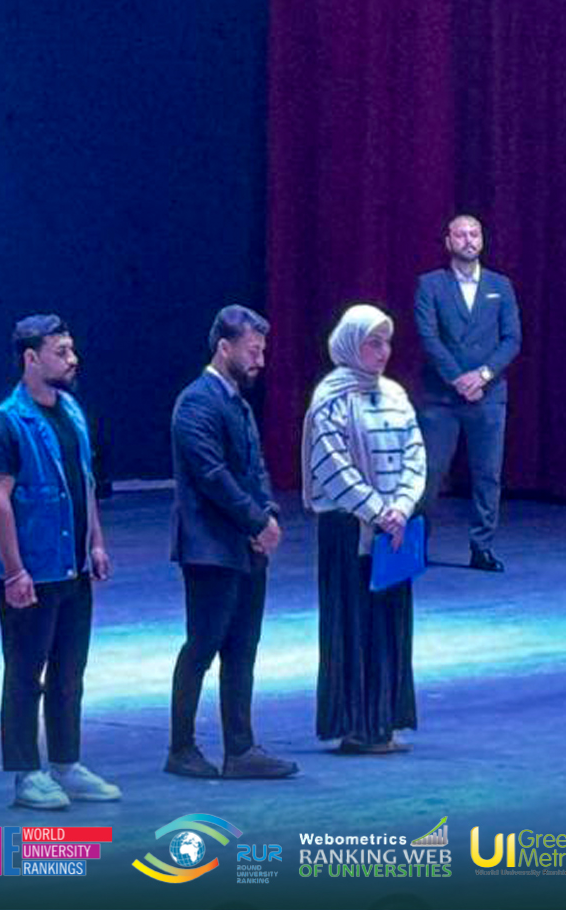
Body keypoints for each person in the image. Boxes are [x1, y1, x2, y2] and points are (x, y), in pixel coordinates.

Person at [0, 314, 121, 809]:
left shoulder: (72, 412)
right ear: (31, 358)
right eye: (61, 352)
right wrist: (15, 570)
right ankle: (26, 773)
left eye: (71, 349)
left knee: (68, 672)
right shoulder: (6, 422)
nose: (72, 359)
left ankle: (66, 763)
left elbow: (84, 482)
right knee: (25, 672)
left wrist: (96, 543)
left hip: (72, 565)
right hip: (30, 571)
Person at [164, 306, 299, 780]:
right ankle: (181, 747)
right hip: (210, 548)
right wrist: (258, 522)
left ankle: (240, 749)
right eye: (252, 350)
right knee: (203, 646)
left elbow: (255, 467)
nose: (260, 359)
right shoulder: (196, 402)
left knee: (243, 648)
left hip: (243, 544)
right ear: (225, 348)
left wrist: (268, 515)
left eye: (262, 350)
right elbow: (212, 475)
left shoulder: (236, 402)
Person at [304, 305, 429, 753]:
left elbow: (415, 454)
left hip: (393, 529)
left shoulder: (395, 394)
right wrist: (377, 510)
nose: (383, 351)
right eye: (372, 343)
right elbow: (331, 466)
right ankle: (357, 726)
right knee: (354, 623)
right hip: (348, 530)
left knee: (390, 623)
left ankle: (386, 721)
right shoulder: (330, 399)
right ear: (350, 345)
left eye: (386, 342)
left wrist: (402, 506)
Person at [414, 214, 521, 572]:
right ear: (448, 242)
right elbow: (428, 337)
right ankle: (416, 545)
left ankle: (482, 547)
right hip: (440, 399)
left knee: (488, 475)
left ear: (482, 240)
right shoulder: (430, 285)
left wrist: (483, 376)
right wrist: (458, 379)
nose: (468, 240)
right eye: (460, 235)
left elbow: (512, 339)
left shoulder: (500, 286)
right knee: (429, 474)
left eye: (474, 234)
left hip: (488, 397)